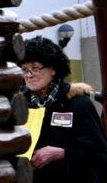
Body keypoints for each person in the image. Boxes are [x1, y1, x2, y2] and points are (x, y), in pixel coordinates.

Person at [21, 35, 107, 181]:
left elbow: (99, 153)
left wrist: (63, 153)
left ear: (53, 69)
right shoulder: (20, 105)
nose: (29, 75)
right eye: (24, 69)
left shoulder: (78, 103)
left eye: (35, 68)